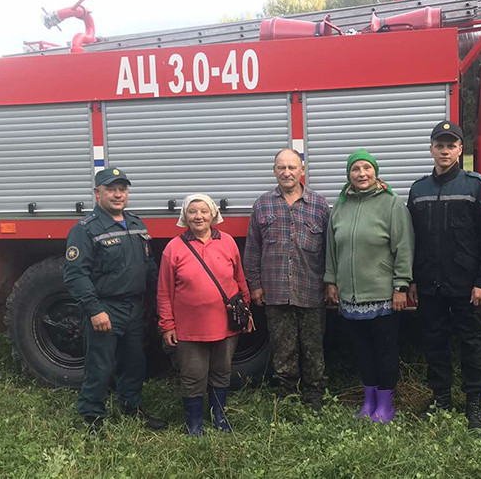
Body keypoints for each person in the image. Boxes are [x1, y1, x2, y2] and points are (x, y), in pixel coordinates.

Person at [407, 121, 481, 430]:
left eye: (451, 145)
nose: (444, 150)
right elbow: (411, 240)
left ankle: (475, 407)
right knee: (435, 344)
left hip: (467, 286)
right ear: (431, 149)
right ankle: (441, 399)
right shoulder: (418, 190)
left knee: (472, 345)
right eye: (439, 145)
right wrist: (413, 281)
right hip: (430, 286)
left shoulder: (476, 186)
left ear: (461, 149)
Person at [64, 167, 167, 434]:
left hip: (134, 308)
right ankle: (92, 417)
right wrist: (94, 310)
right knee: (100, 365)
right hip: (105, 308)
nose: (118, 194)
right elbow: (76, 275)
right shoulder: (85, 230)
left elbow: (149, 265)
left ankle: (131, 408)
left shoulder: (135, 223)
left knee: (135, 362)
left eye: (122, 189)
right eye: (111, 189)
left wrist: (156, 303)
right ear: (97, 194)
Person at [324, 149, 414, 424]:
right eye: (355, 169)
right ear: (349, 174)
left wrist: (401, 286)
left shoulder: (391, 204)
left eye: (366, 168)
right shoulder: (341, 204)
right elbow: (331, 246)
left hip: (383, 295)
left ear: (375, 172)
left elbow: (404, 247)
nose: (361, 174)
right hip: (351, 295)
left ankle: (386, 405)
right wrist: (331, 280)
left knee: (384, 351)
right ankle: (369, 400)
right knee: (362, 351)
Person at [158, 194, 253, 436]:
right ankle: (194, 422)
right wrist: (168, 324)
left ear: (213, 215)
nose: (198, 216)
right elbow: (164, 291)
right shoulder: (173, 248)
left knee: (222, 371)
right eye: (192, 212)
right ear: (184, 217)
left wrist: (247, 311)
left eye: (203, 211)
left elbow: (240, 280)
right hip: (190, 328)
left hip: (226, 324)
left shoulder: (228, 242)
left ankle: (219, 417)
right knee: (193, 375)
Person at [244, 148, 331, 409]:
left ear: (302, 171)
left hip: (311, 291)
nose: (287, 172)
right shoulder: (262, 205)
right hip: (275, 292)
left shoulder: (319, 204)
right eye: (281, 167)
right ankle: (287, 396)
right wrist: (255, 286)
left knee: (313, 348)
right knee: (283, 349)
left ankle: (314, 397)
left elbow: (329, 249)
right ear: (274, 171)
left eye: (292, 167)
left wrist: (330, 283)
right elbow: (252, 249)